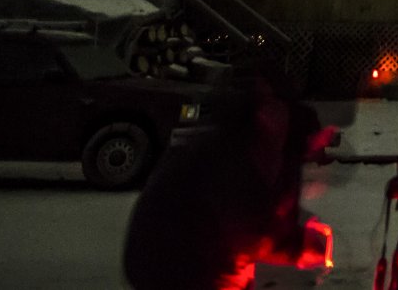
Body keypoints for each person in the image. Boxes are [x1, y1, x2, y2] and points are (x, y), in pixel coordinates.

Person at [123, 62, 334, 290]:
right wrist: (297, 246)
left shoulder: (274, 149)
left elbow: (264, 210)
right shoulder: (228, 155)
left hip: (198, 259)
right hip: (173, 266)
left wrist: (291, 229)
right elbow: (246, 227)